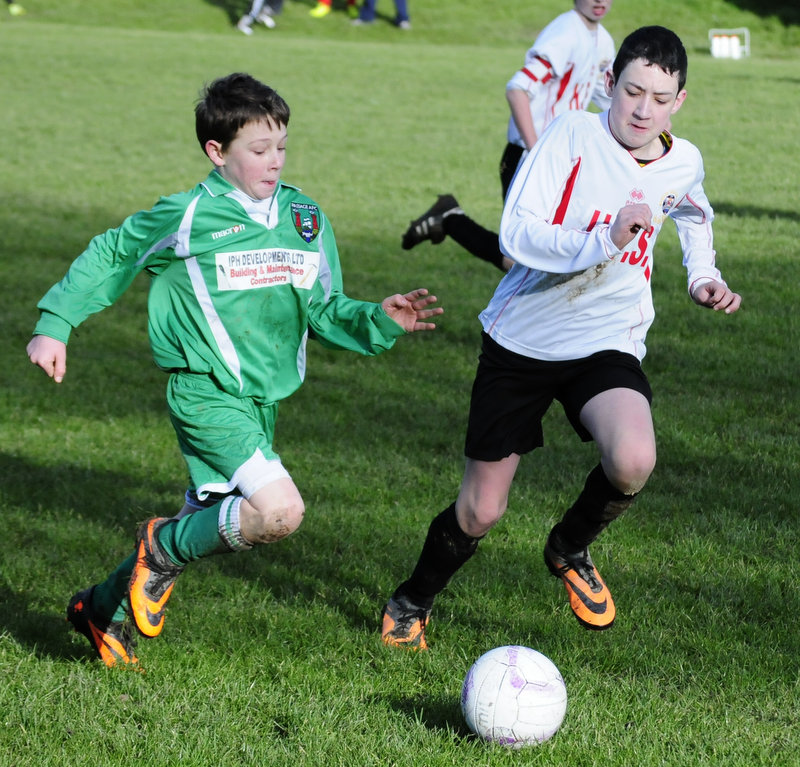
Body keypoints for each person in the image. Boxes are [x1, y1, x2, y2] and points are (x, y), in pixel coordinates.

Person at [27, 72, 442, 667]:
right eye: (257, 149)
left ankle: (99, 608)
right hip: (204, 392)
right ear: (216, 152)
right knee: (278, 512)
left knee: (214, 513)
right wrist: (55, 323)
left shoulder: (305, 217)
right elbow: (114, 253)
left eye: (281, 147)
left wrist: (379, 318)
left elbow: (323, 308)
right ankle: (158, 548)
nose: (273, 161)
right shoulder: (190, 216)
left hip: (260, 403)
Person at [380, 26, 742, 651]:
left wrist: (702, 276)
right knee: (480, 512)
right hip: (522, 343)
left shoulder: (683, 159)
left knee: (633, 460)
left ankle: (569, 547)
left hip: (606, 340)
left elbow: (693, 209)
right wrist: (605, 239)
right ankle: (414, 597)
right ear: (611, 84)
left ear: (679, 101)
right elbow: (518, 236)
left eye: (660, 98)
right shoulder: (571, 135)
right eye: (632, 92)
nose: (642, 109)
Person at [402, 0, 615, 271]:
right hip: (528, 157)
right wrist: (538, 152)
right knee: (526, 262)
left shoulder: (603, 41)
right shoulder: (565, 34)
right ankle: (450, 220)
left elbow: (607, 95)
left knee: (549, 259)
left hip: (564, 161)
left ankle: (449, 218)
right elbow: (518, 89)